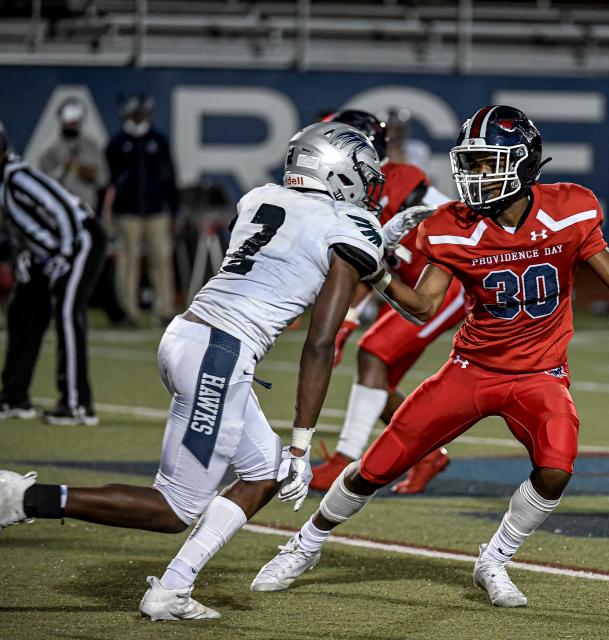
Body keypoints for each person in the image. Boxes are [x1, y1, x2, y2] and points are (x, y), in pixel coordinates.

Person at [0, 122, 426, 621]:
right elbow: (319, 342)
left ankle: (172, 588)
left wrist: (376, 248)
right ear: (337, 171)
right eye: (363, 176)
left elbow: (307, 250)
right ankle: (25, 498)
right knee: (174, 508)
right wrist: (302, 443)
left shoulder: (260, 197)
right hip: (218, 353)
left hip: (191, 335)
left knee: (263, 474)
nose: (371, 190)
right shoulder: (345, 226)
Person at [250, 105, 609, 607]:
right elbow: (420, 307)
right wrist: (376, 271)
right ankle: (306, 543)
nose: (476, 175)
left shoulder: (571, 207)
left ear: (523, 163)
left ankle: (496, 558)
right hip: (471, 371)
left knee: (556, 468)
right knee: (377, 467)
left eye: (488, 163)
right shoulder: (451, 226)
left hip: (540, 374)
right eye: (472, 163)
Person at [311, 109, 460, 495]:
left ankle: (346, 461)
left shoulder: (404, 180)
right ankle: (429, 454)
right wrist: (348, 317)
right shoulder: (352, 189)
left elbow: (456, 219)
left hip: (446, 283)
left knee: (373, 353)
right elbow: (365, 262)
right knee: (379, 380)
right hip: (402, 284)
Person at [0, 120, 107, 425]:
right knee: (22, 311)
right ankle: (14, 397)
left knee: (67, 312)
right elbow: (19, 227)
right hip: (48, 252)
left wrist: (64, 253)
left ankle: (77, 405)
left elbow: (61, 208)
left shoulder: (17, 176)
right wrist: (23, 255)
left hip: (80, 239)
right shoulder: (4, 183)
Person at [39, 97, 130, 327]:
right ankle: (52, 309)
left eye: (74, 120)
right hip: (61, 214)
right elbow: (44, 181)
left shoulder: (91, 145)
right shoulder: (51, 149)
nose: (71, 125)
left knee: (97, 261)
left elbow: (103, 179)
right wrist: (64, 169)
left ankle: (114, 313)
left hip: (86, 211)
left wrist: (91, 174)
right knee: (61, 263)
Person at [104, 92, 179, 324]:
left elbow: (170, 177)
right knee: (128, 261)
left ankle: (164, 309)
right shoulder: (117, 143)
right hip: (127, 211)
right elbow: (110, 179)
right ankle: (129, 310)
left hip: (156, 210)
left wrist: (173, 209)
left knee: (161, 259)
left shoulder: (158, 140)